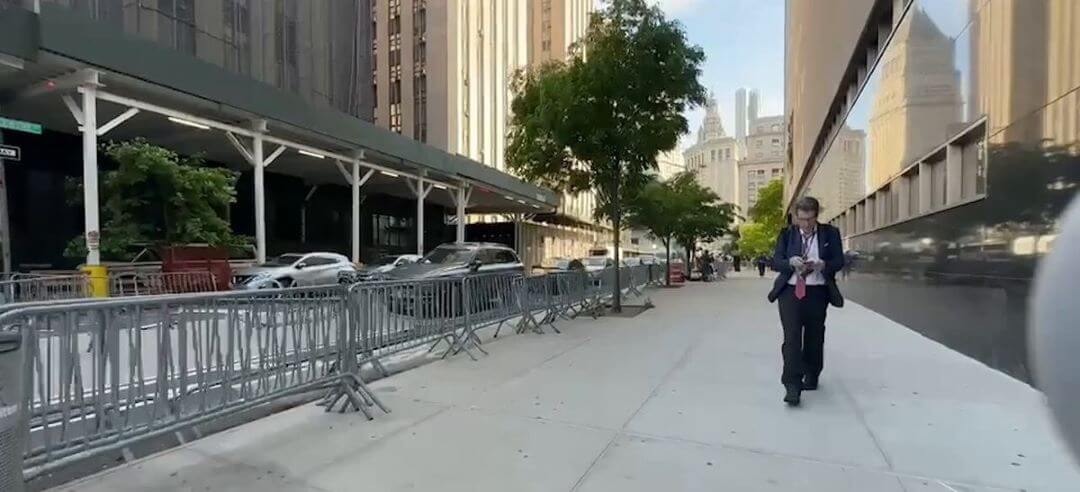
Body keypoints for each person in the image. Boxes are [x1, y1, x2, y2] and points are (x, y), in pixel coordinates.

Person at [767, 196, 845, 406]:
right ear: (796, 217)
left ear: (816, 216)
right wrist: (789, 262)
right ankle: (792, 385)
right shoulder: (787, 234)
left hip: (817, 292)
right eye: (801, 219)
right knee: (792, 338)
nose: (806, 224)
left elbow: (839, 261)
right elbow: (776, 261)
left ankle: (812, 373)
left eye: (810, 219)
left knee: (814, 336)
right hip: (790, 292)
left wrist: (823, 264)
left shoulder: (830, 233)